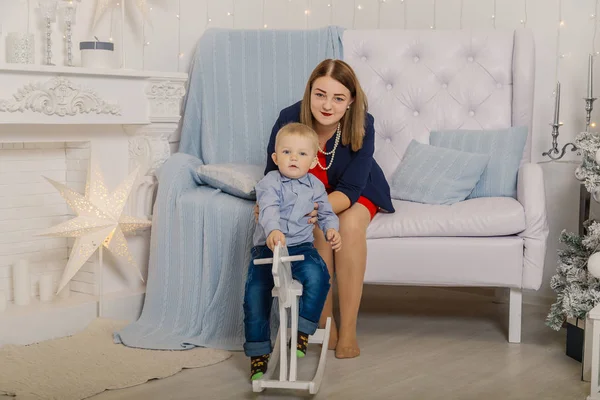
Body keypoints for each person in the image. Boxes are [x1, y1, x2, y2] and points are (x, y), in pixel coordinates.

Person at [262, 59, 395, 359]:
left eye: (338, 98)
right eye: (320, 94)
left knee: (346, 227)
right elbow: (273, 172)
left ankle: (349, 329)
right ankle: (327, 324)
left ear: (350, 102)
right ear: (309, 91)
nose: (327, 105)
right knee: (318, 230)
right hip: (309, 191)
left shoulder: (364, 123)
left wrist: (310, 208)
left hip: (356, 190)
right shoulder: (288, 117)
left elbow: (349, 191)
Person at [244, 122, 342, 381]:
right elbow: (268, 208)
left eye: (301, 154)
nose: (293, 158)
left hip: (300, 246)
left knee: (319, 276)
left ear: (312, 161)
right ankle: (259, 353)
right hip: (267, 249)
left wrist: (331, 229)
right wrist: (273, 231)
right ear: (276, 158)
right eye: (287, 152)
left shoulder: (315, 186)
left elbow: (326, 212)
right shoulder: (269, 182)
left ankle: (302, 330)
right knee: (255, 295)